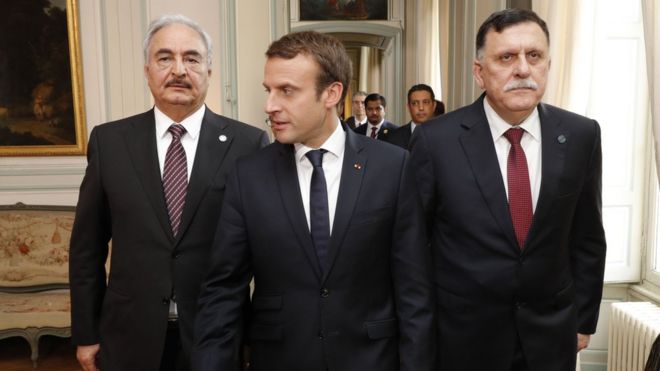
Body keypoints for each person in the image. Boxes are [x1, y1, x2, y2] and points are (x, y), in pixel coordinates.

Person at [193, 30, 435, 371]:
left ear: (332, 93)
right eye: (269, 91)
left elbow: (414, 292)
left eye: (287, 91)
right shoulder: (248, 176)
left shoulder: (392, 167)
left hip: (371, 360)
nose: (270, 105)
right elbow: (223, 291)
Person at [409, 8, 606, 371]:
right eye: (506, 57)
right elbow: (414, 247)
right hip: (463, 339)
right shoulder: (436, 141)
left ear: (548, 63)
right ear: (479, 72)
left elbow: (588, 236)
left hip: (551, 336)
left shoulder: (581, 135)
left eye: (534, 56)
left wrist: (583, 319)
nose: (522, 69)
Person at [68, 14, 268, 371]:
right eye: (165, 58)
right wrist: (86, 333)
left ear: (209, 70)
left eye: (192, 58)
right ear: (147, 70)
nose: (178, 70)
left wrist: (256, 337)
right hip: (128, 335)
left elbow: (264, 255)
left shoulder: (249, 144)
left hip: (216, 335)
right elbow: (87, 249)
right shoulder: (109, 142)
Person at [385, 84, 437, 150]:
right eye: (415, 103)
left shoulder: (445, 136)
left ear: (434, 105)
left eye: (425, 102)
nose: (421, 108)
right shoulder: (393, 138)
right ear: (409, 107)